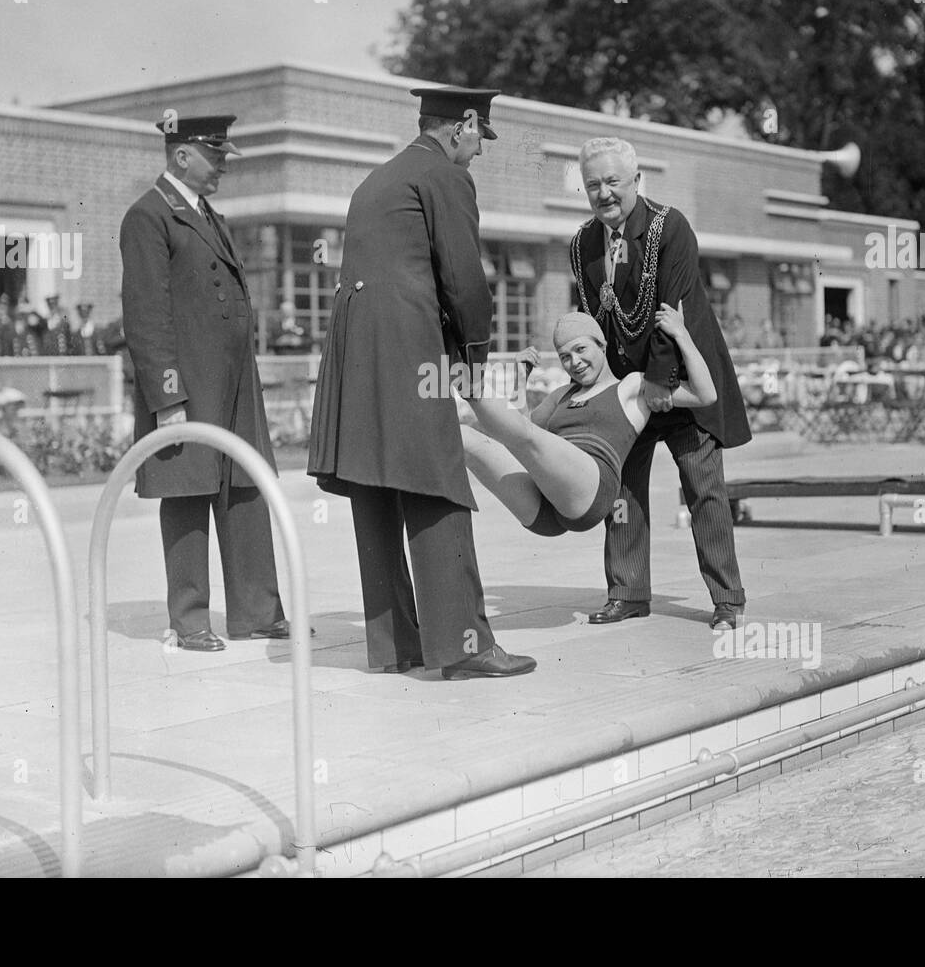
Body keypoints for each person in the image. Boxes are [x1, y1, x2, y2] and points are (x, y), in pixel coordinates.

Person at [308, 85, 536, 680]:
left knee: (376, 485)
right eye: (478, 138)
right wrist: (474, 362)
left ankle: (394, 648)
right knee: (439, 485)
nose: (477, 153)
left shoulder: (375, 180)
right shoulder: (444, 177)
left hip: (357, 350)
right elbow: (464, 280)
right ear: (462, 123)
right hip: (410, 347)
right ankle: (465, 646)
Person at [119, 114, 291, 652]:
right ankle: (191, 619)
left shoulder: (208, 215)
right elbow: (146, 316)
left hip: (234, 383)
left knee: (245, 487)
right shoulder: (149, 216)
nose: (221, 166)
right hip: (188, 386)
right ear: (181, 155)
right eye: (214, 155)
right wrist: (167, 396)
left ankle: (258, 611)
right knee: (188, 493)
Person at [569, 137, 751, 633]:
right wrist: (604, 391)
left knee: (703, 488)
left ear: (635, 181)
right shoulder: (582, 242)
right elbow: (593, 322)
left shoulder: (670, 228)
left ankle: (727, 600)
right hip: (630, 387)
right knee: (621, 490)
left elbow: (674, 313)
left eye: (613, 182)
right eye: (593, 185)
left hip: (682, 383)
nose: (604, 193)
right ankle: (627, 592)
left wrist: (656, 386)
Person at [459, 308, 715, 536]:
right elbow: (522, 437)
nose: (575, 363)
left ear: (602, 346)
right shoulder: (562, 395)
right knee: (465, 438)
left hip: (592, 492)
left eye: (580, 349)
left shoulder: (630, 387)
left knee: (525, 437)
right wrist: (519, 380)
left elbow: (705, 395)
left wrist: (681, 335)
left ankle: (459, 371)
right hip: (548, 509)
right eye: (565, 357)